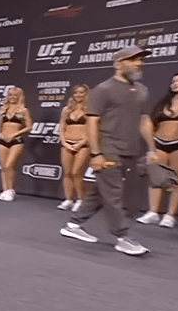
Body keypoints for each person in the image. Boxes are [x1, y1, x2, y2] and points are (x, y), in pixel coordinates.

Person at [60, 45, 155, 256]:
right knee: (114, 193)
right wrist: (96, 154)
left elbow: (145, 120)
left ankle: (73, 225)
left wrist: (152, 148)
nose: (139, 63)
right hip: (108, 149)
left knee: (100, 191)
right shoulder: (103, 89)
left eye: (141, 60)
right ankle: (123, 237)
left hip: (130, 150)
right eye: (133, 60)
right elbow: (92, 123)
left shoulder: (142, 90)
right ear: (119, 64)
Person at [137, 73, 178, 228]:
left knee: (177, 180)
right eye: (174, 81)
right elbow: (148, 123)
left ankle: (170, 216)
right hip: (159, 144)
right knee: (155, 179)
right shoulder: (162, 103)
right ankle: (153, 212)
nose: (176, 83)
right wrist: (151, 147)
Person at [0, 87, 33, 201]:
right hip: (3, 141)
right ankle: (5, 190)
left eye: (15, 95)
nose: (12, 97)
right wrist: (0, 135)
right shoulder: (3, 109)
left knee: (9, 165)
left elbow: (29, 127)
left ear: (19, 97)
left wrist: (16, 134)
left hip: (16, 141)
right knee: (4, 167)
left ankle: (11, 190)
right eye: (10, 95)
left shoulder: (23, 110)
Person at [58, 84, 91, 211]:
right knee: (67, 173)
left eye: (81, 92)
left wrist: (81, 143)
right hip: (67, 144)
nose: (78, 95)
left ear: (86, 94)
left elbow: (93, 130)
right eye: (76, 92)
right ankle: (68, 199)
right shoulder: (67, 110)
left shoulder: (90, 110)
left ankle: (81, 200)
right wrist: (64, 142)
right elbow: (62, 127)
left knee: (77, 172)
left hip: (83, 145)